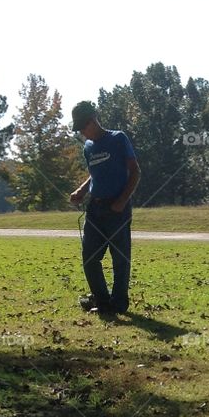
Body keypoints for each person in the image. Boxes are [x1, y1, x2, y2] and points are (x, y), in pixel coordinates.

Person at [69, 101, 141, 315]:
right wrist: (82, 191)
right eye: (79, 128)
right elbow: (95, 174)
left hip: (118, 209)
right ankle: (102, 302)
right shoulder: (88, 147)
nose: (82, 132)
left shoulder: (118, 138)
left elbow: (135, 171)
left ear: (94, 120)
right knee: (90, 258)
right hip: (95, 209)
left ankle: (118, 304)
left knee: (120, 259)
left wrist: (122, 201)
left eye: (83, 126)